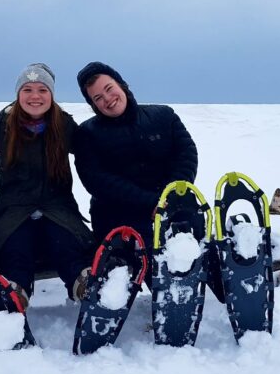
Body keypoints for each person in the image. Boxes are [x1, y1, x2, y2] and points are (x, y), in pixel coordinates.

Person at [0, 63, 93, 307]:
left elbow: (94, 153)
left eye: (42, 90)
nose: (35, 96)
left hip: (58, 208)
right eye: (27, 89)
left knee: (66, 243)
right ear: (18, 94)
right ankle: (14, 292)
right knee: (16, 245)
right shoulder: (2, 124)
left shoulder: (64, 124)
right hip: (14, 210)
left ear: (51, 95)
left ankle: (86, 285)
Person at [74, 62, 199, 250]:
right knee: (148, 264)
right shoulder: (87, 134)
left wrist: (170, 196)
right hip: (119, 217)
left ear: (121, 84)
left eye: (109, 88)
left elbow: (186, 153)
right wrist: (151, 203)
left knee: (195, 257)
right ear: (93, 104)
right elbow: (98, 182)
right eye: (98, 97)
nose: (108, 99)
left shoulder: (164, 115)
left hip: (175, 207)